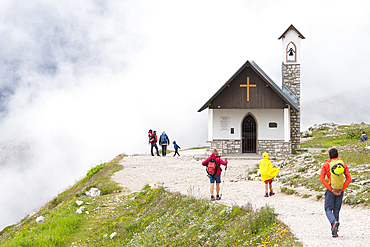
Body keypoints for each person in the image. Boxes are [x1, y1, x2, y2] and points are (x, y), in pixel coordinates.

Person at [319, 148, 352, 237]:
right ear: (337, 155)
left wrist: (330, 189)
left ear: (329, 155)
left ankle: (334, 223)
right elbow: (349, 179)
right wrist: (342, 189)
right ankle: (335, 232)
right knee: (336, 210)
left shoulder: (326, 165)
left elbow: (322, 178)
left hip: (331, 191)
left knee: (328, 209)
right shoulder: (343, 165)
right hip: (340, 190)